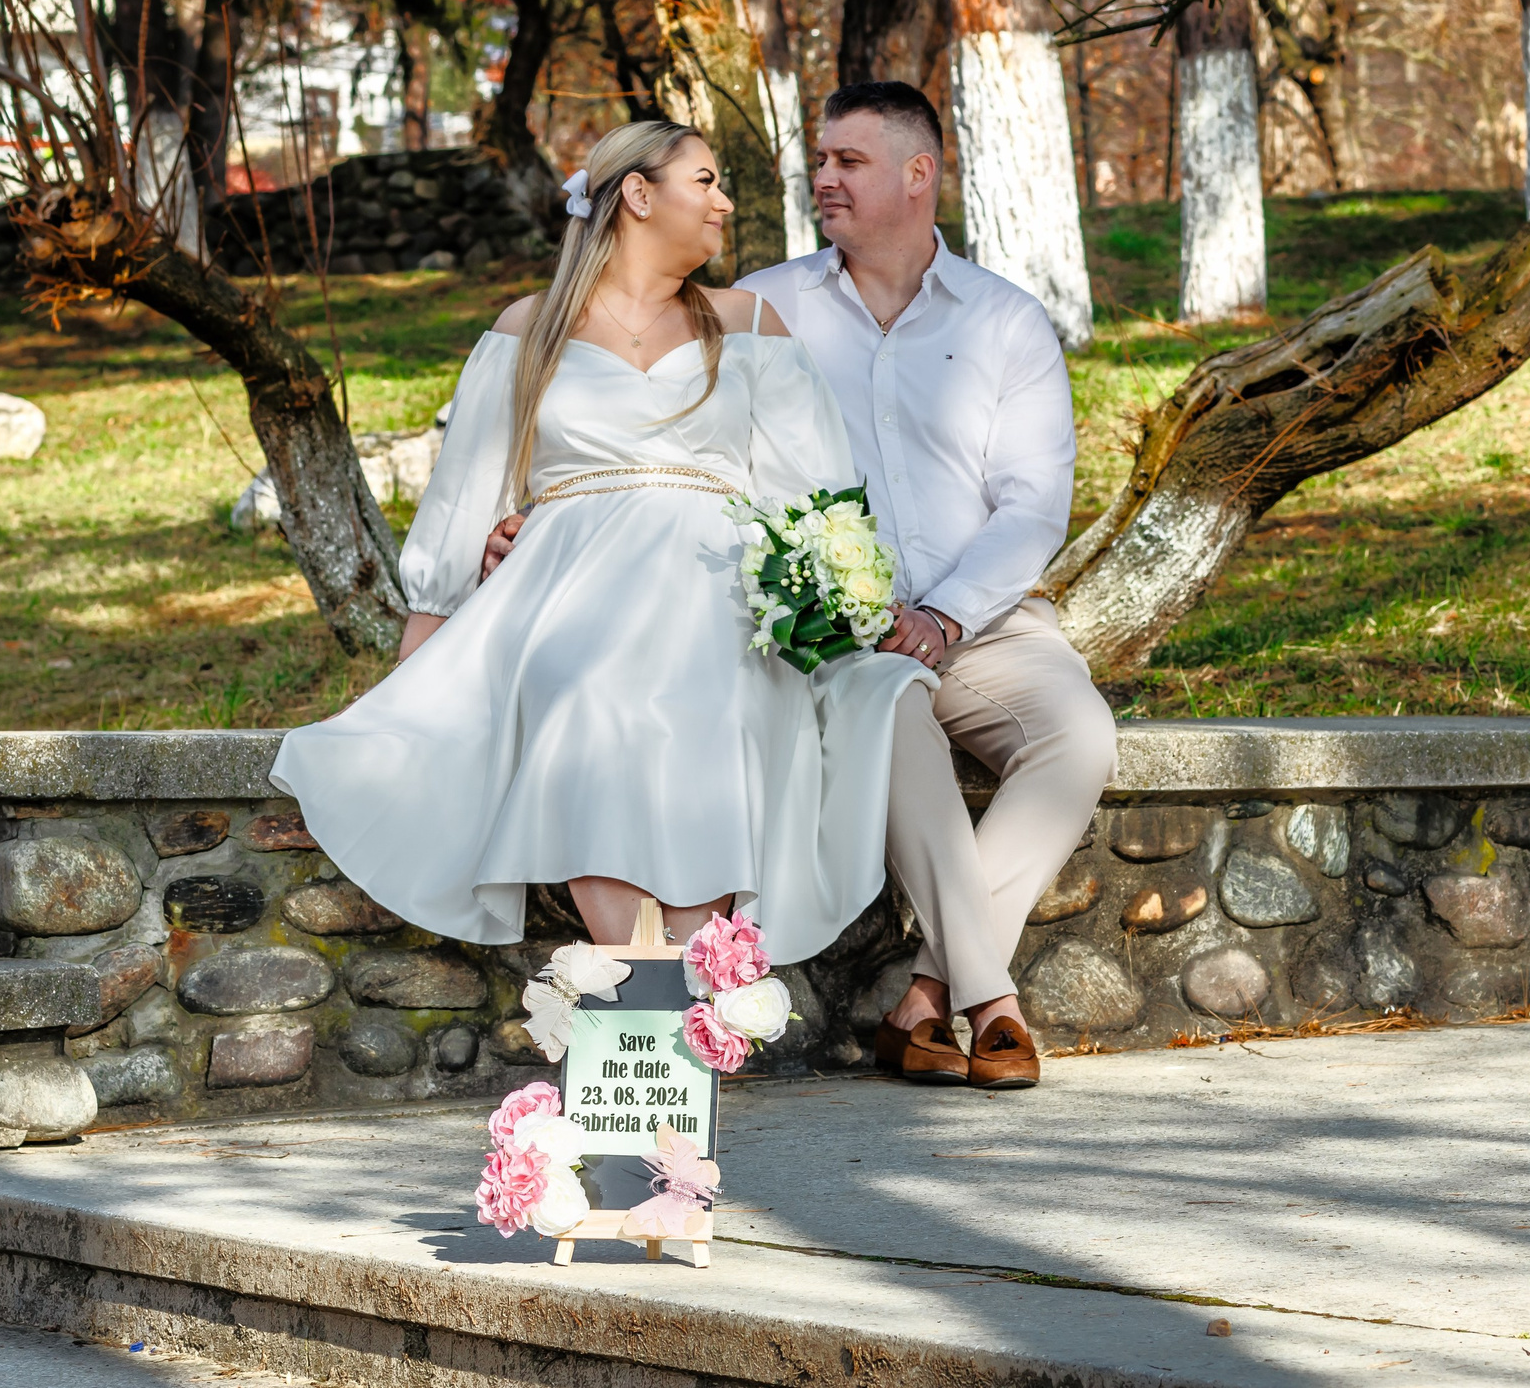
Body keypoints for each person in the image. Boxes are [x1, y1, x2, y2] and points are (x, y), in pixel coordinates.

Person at [268, 120, 933, 957]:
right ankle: (643, 990)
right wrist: (425, 643)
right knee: (584, 696)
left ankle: (700, 991)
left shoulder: (748, 322)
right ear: (639, 193)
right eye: (707, 179)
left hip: (719, 588)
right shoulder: (530, 328)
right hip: (567, 593)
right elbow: (465, 494)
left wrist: (838, 602)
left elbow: (816, 490)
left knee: (718, 697)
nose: (725, 200)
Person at [739, 82, 1118, 1091]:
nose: (823, 178)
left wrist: (947, 614)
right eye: (818, 160)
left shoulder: (1005, 322)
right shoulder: (760, 308)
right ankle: (989, 1002)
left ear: (920, 173)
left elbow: (1033, 505)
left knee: (1078, 733)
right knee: (893, 717)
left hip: (984, 620)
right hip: (837, 640)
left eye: (848, 162)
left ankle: (922, 998)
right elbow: (685, 450)